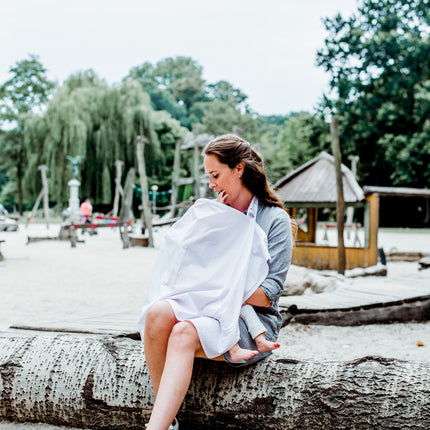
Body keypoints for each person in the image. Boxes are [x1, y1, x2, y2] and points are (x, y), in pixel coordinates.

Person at [138, 134, 294, 430]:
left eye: (215, 175)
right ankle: (168, 419)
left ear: (239, 169)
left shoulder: (275, 220)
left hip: (249, 321)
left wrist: (219, 290)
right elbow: (194, 268)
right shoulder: (215, 213)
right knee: (157, 313)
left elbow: (268, 294)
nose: (211, 184)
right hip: (205, 307)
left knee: (184, 332)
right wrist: (214, 222)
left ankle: (156, 427)